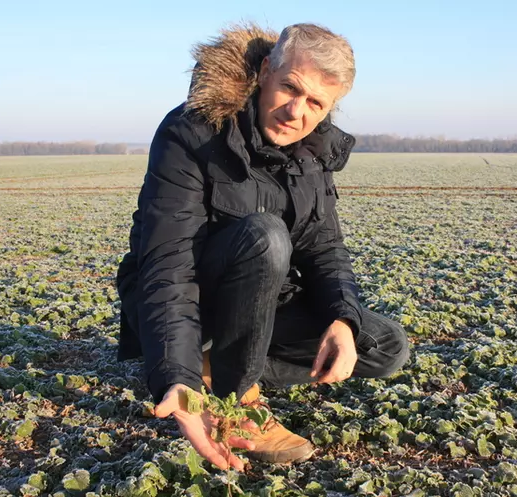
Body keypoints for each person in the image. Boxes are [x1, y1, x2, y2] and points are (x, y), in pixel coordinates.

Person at [116, 23, 409, 471]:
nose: (296, 112)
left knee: (385, 346)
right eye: (290, 87)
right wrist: (176, 375)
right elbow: (167, 266)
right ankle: (235, 402)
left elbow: (324, 247)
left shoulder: (312, 152)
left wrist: (342, 319)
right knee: (265, 236)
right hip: (194, 300)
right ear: (266, 70)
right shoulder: (194, 132)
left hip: (260, 304)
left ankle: (216, 364)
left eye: (316, 103)